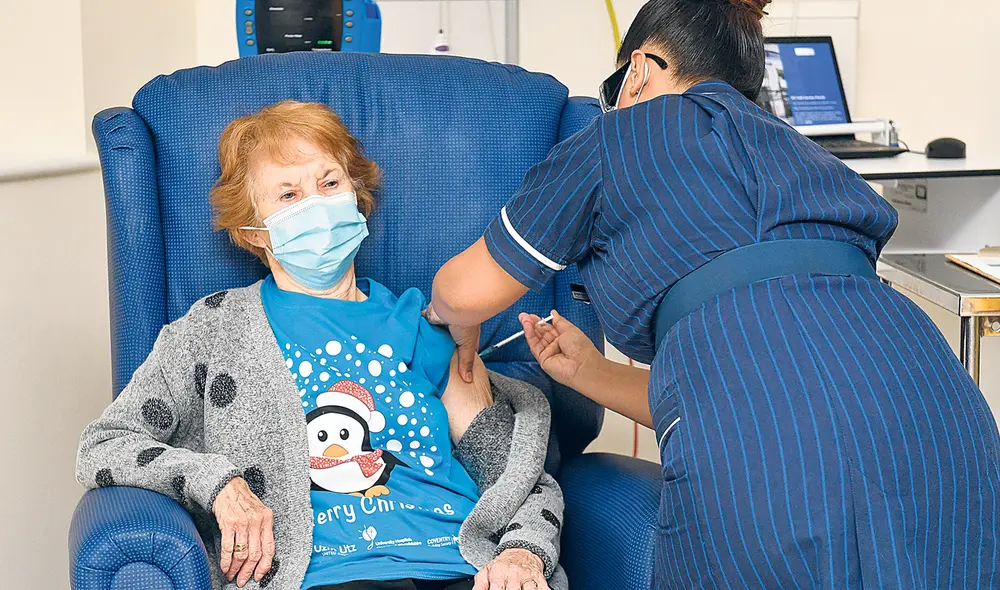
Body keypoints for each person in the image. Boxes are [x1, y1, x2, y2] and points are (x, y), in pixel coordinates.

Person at [427, 0, 1000, 587]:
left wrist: (455, 317)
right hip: (940, 415)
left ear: (640, 71)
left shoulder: (617, 137)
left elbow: (462, 290)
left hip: (765, 455)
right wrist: (590, 373)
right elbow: (783, 375)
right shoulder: (804, 153)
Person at [76, 101, 567, 590]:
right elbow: (105, 446)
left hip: (458, 567)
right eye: (288, 195)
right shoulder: (213, 330)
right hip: (324, 576)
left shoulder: (425, 326)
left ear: (357, 195)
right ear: (254, 232)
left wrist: (522, 555)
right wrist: (218, 484)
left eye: (330, 184)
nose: (316, 204)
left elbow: (518, 475)